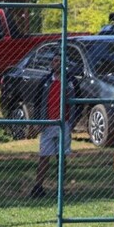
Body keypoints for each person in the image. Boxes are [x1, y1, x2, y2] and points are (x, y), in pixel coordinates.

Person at [30, 54, 76, 198]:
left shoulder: (71, 81)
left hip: (64, 124)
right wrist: (36, 122)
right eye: (55, 61)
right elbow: (37, 102)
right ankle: (38, 186)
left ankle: (60, 188)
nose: (57, 64)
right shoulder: (45, 81)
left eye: (60, 61)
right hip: (47, 124)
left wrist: (72, 122)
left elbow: (78, 104)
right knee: (44, 156)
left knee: (61, 157)